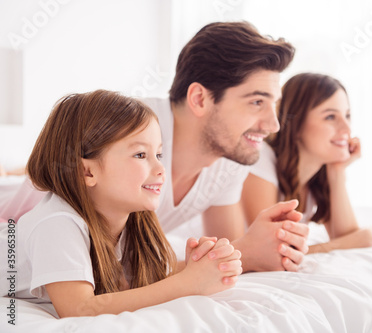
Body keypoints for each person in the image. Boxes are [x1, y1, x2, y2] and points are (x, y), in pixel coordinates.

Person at [0, 21, 309, 272]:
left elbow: (222, 249)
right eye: (257, 102)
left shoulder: (230, 156)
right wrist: (246, 251)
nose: (273, 125)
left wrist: (274, 244)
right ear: (200, 99)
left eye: (274, 104)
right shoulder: (126, 128)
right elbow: (64, 251)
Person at [1, 90, 242, 317]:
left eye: (159, 154)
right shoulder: (56, 223)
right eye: (140, 155)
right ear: (87, 172)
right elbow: (79, 309)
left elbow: (139, 279)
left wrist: (194, 266)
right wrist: (188, 283)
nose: (160, 169)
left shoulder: (131, 217)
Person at [241, 73, 372, 253]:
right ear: (297, 126)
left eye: (347, 115)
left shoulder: (316, 177)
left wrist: (337, 171)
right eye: (330, 117)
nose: (346, 128)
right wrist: (324, 248)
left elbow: (346, 235)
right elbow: (273, 251)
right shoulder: (261, 159)